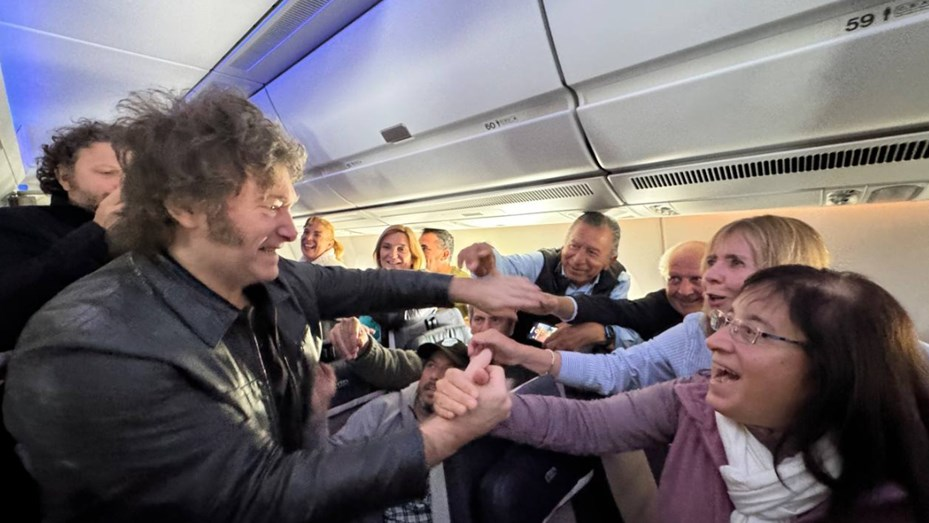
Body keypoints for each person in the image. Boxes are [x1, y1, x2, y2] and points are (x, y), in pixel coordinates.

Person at [1, 89, 539, 522]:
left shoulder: (261, 275)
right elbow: (257, 498)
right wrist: (448, 434)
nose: (289, 229)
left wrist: (463, 290)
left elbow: (358, 285)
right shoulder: (91, 351)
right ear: (186, 207)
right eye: (272, 205)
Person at [437, 265, 929, 521]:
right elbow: (586, 424)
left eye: (751, 331)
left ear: (829, 370)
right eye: (728, 322)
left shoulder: (889, 498)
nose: (714, 341)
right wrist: (490, 405)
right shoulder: (694, 400)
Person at [468, 215, 830, 396]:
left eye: (734, 263)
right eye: (712, 262)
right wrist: (522, 349)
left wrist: (602, 333)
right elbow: (621, 366)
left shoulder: (827, 354)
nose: (709, 278)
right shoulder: (696, 328)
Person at [0, 120, 122, 521]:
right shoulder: (15, 226)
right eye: (107, 173)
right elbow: (9, 305)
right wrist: (98, 232)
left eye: (130, 175)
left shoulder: (142, 240)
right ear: (65, 177)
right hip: (46, 428)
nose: (121, 185)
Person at [330, 339, 470, 522]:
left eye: (448, 369)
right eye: (431, 365)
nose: (435, 376)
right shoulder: (382, 412)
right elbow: (332, 458)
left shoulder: (471, 428)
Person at [457, 212, 638, 352]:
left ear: (610, 261)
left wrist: (599, 333)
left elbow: (630, 335)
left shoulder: (617, 280)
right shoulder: (542, 263)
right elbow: (506, 267)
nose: (577, 259)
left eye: (592, 252)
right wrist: (487, 264)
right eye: (573, 246)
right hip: (528, 357)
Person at [545, 240, 706, 346]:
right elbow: (615, 309)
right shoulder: (660, 305)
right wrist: (555, 303)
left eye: (696, 279)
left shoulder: (721, 317)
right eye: (675, 279)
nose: (684, 291)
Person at [331, 305, 517, 390]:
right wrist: (364, 346)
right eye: (479, 319)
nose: (486, 328)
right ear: (470, 324)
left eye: (495, 320)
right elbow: (398, 366)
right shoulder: (455, 353)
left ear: (511, 326)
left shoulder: (526, 369)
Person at [362, 224, 466, 349]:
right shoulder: (373, 286)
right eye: (386, 247)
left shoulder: (425, 285)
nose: (393, 255)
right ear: (379, 254)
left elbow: (395, 318)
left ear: (413, 257)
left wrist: (361, 303)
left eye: (401, 249)